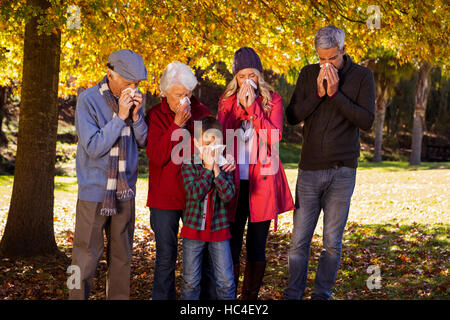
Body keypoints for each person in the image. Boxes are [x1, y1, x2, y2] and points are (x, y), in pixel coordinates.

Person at [284, 25, 375, 300]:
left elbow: (366, 121)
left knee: (332, 243)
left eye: (331, 58)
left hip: (342, 171)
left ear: (344, 51)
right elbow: (292, 116)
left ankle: (322, 294)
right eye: (321, 58)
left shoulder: (362, 76)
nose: (326, 64)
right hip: (309, 169)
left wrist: (336, 94)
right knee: (299, 242)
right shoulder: (308, 74)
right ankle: (293, 294)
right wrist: (319, 94)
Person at [145, 62, 235, 300]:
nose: (185, 100)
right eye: (179, 95)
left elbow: (215, 143)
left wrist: (227, 158)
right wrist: (176, 124)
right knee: (166, 255)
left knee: (203, 256)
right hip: (166, 197)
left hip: (198, 195)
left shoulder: (201, 112)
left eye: (188, 94)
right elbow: (155, 156)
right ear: (165, 93)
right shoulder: (156, 115)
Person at [69, 49, 148, 300]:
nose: (132, 89)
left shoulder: (135, 99)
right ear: (110, 74)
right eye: (127, 83)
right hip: (94, 191)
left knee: (122, 257)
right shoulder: (88, 100)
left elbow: (144, 141)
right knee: (84, 257)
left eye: (136, 84)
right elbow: (93, 147)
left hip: (124, 190)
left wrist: (135, 117)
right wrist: (121, 117)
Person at [217, 47, 295, 300]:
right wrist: (239, 107)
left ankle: (249, 297)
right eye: (241, 76)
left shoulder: (273, 99)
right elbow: (221, 135)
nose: (246, 80)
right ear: (235, 79)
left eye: (252, 74)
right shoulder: (226, 101)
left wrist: (253, 109)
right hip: (234, 182)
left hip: (262, 183)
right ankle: (228, 294)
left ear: (259, 76)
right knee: (232, 242)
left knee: (256, 245)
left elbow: (274, 137)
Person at [180, 116, 236, 300]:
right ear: (196, 143)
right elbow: (195, 194)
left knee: (226, 281)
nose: (211, 147)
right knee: (190, 281)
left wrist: (216, 170)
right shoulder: (189, 163)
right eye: (206, 142)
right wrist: (206, 168)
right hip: (193, 231)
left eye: (215, 142)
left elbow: (227, 196)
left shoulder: (226, 165)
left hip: (218, 231)